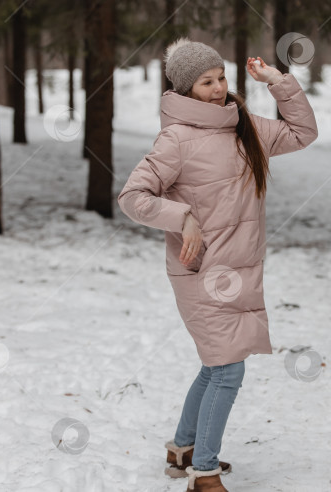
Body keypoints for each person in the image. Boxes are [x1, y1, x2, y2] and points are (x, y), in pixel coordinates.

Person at [118, 38, 318, 492]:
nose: (217, 88)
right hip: (199, 271)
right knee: (228, 369)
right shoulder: (176, 138)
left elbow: (303, 133)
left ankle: (183, 449)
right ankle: (203, 473)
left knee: (216, 365)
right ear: (185, 89)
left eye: (221, 78)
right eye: (205, 82)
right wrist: (182, 217)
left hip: (240, 271)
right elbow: (133, 198)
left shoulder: (244, 126)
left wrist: (279, 83)